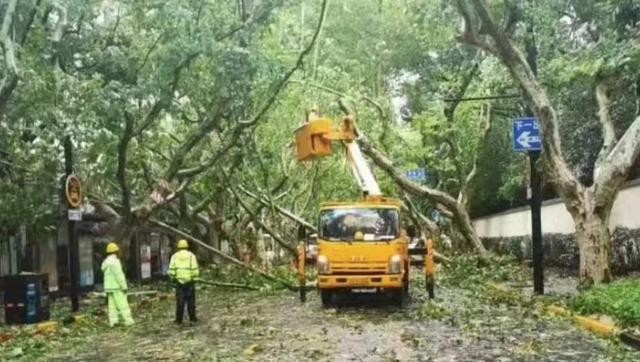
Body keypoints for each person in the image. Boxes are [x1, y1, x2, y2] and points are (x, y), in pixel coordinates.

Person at [101, 242, 134, 327]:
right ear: (115, 252)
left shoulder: (105, 262)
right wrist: (124, 286)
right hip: (117, 287)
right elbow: (119, 275)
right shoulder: (115, 262)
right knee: (123, 304)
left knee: (112, 306)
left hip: (109, 287)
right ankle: (128, 320)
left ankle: (113, 321)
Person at [168, 239, 199, 324]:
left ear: (178, 247)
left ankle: (178, 320)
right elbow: (195, 268)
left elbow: (171, 269)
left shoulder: (174, 256)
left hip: (179, 282)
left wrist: (172, 278)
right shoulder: (191, 256)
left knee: (180, 302)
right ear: (187, 247)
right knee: (191, 302)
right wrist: (195, 279)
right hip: (189, 282)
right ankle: (192, 318)